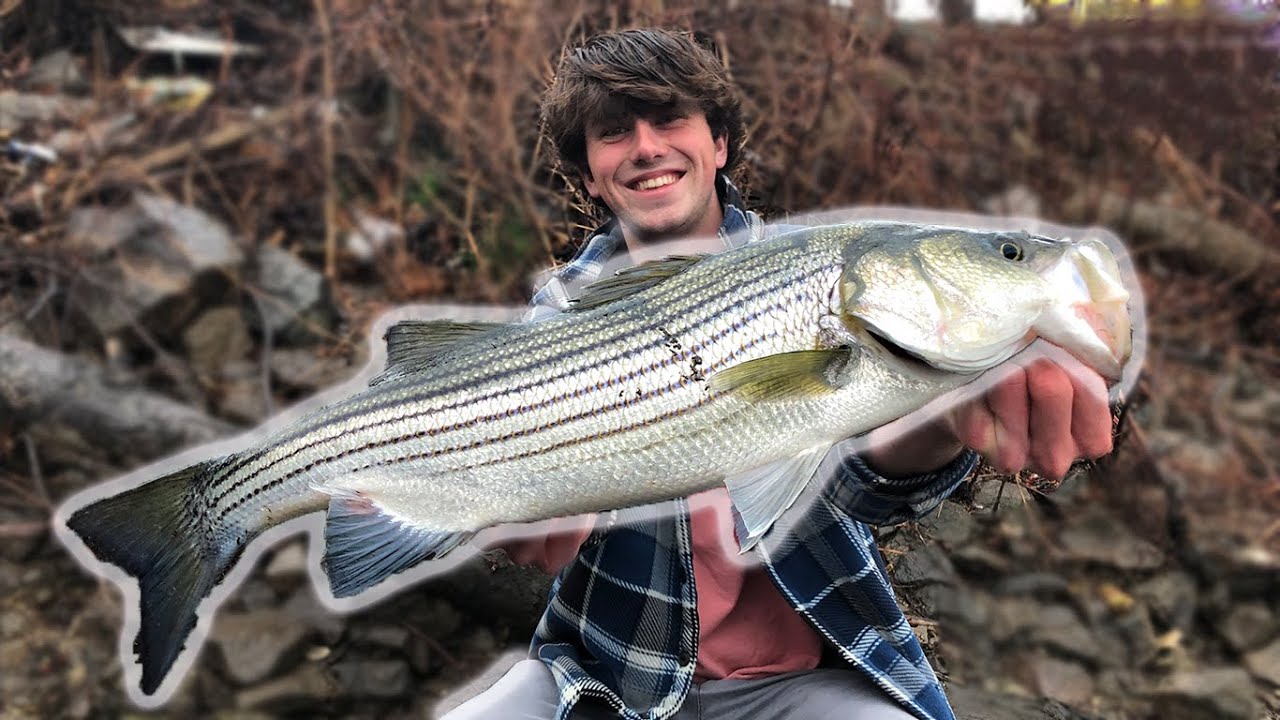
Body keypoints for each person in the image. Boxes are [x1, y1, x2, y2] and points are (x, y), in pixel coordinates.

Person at [442, 28, 1114, 720]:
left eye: (671, 118)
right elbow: (495, 500)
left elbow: (865, 483)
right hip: (604, 678)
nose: (646, 146)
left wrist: (947, 415)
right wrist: (504, 510)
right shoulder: (555, 316)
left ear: (720, 144)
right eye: (613, 133)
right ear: (587, 174)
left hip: (801, 681)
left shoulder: (815, 273)